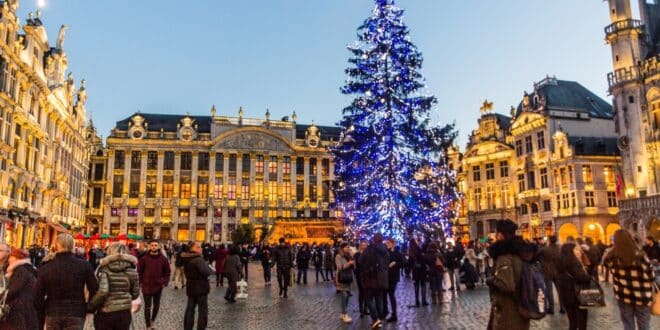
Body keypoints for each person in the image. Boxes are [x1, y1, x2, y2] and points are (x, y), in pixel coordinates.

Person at [34, 233, 98, 330]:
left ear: (56, 246)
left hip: (53, 311)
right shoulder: (83, 265)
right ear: (73, 246)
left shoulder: (46, 266)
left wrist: (43, 309)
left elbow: (37, 293)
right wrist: (89, 307)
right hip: (76, 311)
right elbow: (94, 288)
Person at [603, 230, 655, 330]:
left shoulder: (611, 257)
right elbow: (651, 276)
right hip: (642, 296)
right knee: (644, 325)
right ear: (630, 239)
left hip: (623, 295)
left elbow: (609, 269)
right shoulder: (640, 255)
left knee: (628, 324)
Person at [486, 220, 529, 330]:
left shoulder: (504, 257)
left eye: (497, 233)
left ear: (500, 234)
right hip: (521, 307)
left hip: (508, 310)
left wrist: (492, 280)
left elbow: (507, 285)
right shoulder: (520, 253)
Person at [88, 242, 140, 330]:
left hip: (106, 311)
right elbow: (135, 294)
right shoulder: (132, 270)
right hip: (124, 312)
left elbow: (103, 291)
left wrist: (90, 306)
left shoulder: (104, 268)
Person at [554, 239, 591, 330]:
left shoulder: (559, 262)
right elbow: (582, 277)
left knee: (572, 321)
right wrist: (588, 276)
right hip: (577, 295)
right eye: (575, 249)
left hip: (565, 296)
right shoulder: (574, 263)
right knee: (582, 321)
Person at [0, 248, 38, 329]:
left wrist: (2, 297)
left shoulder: (21, 270)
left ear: (17, 258)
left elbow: (14, 289)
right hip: (24, 308)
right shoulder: (27, 268)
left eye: (11, 257)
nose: (9, 259)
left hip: (19, 310)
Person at [137, 240, 171, 330]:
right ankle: (148, 326)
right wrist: (139, 283)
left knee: (156, 305)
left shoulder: (163, 259)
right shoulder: (144, 258)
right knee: (147, 307)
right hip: (146, 286)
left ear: (158, 247)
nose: (154, 247)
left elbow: (167, 271)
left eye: (155, 245)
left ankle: (152, 320)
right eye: (152, 245)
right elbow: (139, 272)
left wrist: (165, 282)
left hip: (158, 286)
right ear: (149, 247)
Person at [180, 241, 213, 330]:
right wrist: (209, 269)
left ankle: (187, 327)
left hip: (191, 286)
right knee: (202, 311)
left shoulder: (186, 258)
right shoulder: (198, 259)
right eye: (198, 247)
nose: (201, 249)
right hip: (201, 287)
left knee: (190, 309)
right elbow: (206, 272)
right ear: (192, 249)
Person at [359, 233, 388, 329]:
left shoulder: (369, 249)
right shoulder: (385, 250)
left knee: (368, 300)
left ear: (374, 239)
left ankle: (375, 319)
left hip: (371, 278)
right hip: (382, 278)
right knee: (379, 299)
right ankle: (379, 320)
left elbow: (360, 261)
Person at [383, 238, 405, 322]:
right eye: (386, 243)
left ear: (393, 244)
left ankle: (394, 314)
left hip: (393, 277)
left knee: (391, 295)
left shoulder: (397, 253)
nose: (387, 244)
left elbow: (404, 263)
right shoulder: (385, 252)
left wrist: (395, 263)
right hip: (385, 276)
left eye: (388, 243)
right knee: (384, 295)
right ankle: (385, 311)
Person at [538, 235, 560, 314]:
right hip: (558, 271)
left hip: (547, 271)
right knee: (559, 290)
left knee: (549, 290)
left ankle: (551, 308)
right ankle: (563, 308)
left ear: (549, 240)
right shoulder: (559, 249)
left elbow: (537, 255)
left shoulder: (545, 249)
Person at [335, 242, 355, 324]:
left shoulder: (349, 256)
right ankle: (344, 313)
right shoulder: (338, 256)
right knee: (344, 296)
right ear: (342, 248)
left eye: (348, 247)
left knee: (347, 296)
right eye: (346, 247)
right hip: (342, 278)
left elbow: (353, 267)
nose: (347, 248)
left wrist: (353, 263)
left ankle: (343, 312)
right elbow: (340, 267)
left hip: (349, 277)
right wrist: (349, 263)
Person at [408, 238, 428, 306]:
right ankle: (423, 300)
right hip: (422, 270)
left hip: (415, 271)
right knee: (423, 285)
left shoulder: (411, 252)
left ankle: (417, 301)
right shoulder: (418, 249)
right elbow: (423, 259)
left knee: (416, 285)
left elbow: (409, 263)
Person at [353, 240, 368, 317]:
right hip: (359, 275)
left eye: (365, 245)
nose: (364, 246)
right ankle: (361, 310)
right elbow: (357, 264)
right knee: (361, 292)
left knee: (367, 292)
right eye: (362, 245)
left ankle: (365, 308)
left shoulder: (368, 254)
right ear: (360, 246)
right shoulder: (357, 255)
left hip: (367, 276)